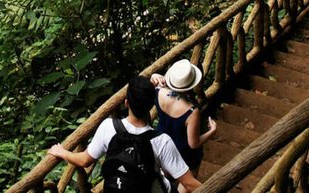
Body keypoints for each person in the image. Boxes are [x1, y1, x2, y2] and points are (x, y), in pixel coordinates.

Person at [47, 75, 203, 193]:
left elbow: (84, 160)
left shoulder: (109, 127)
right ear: (151, 105)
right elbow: (189, 183)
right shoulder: (161, 141)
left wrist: (61, 152)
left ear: (126, 103)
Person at [150, 59, 217, 187]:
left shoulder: (158, 91)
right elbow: (193, 143)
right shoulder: (192, 111)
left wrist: (153, 76)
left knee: (164, 180)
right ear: (191, 85)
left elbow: (146, 86)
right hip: (184, 155)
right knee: (188, 183)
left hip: (163, 145)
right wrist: (212, 131)